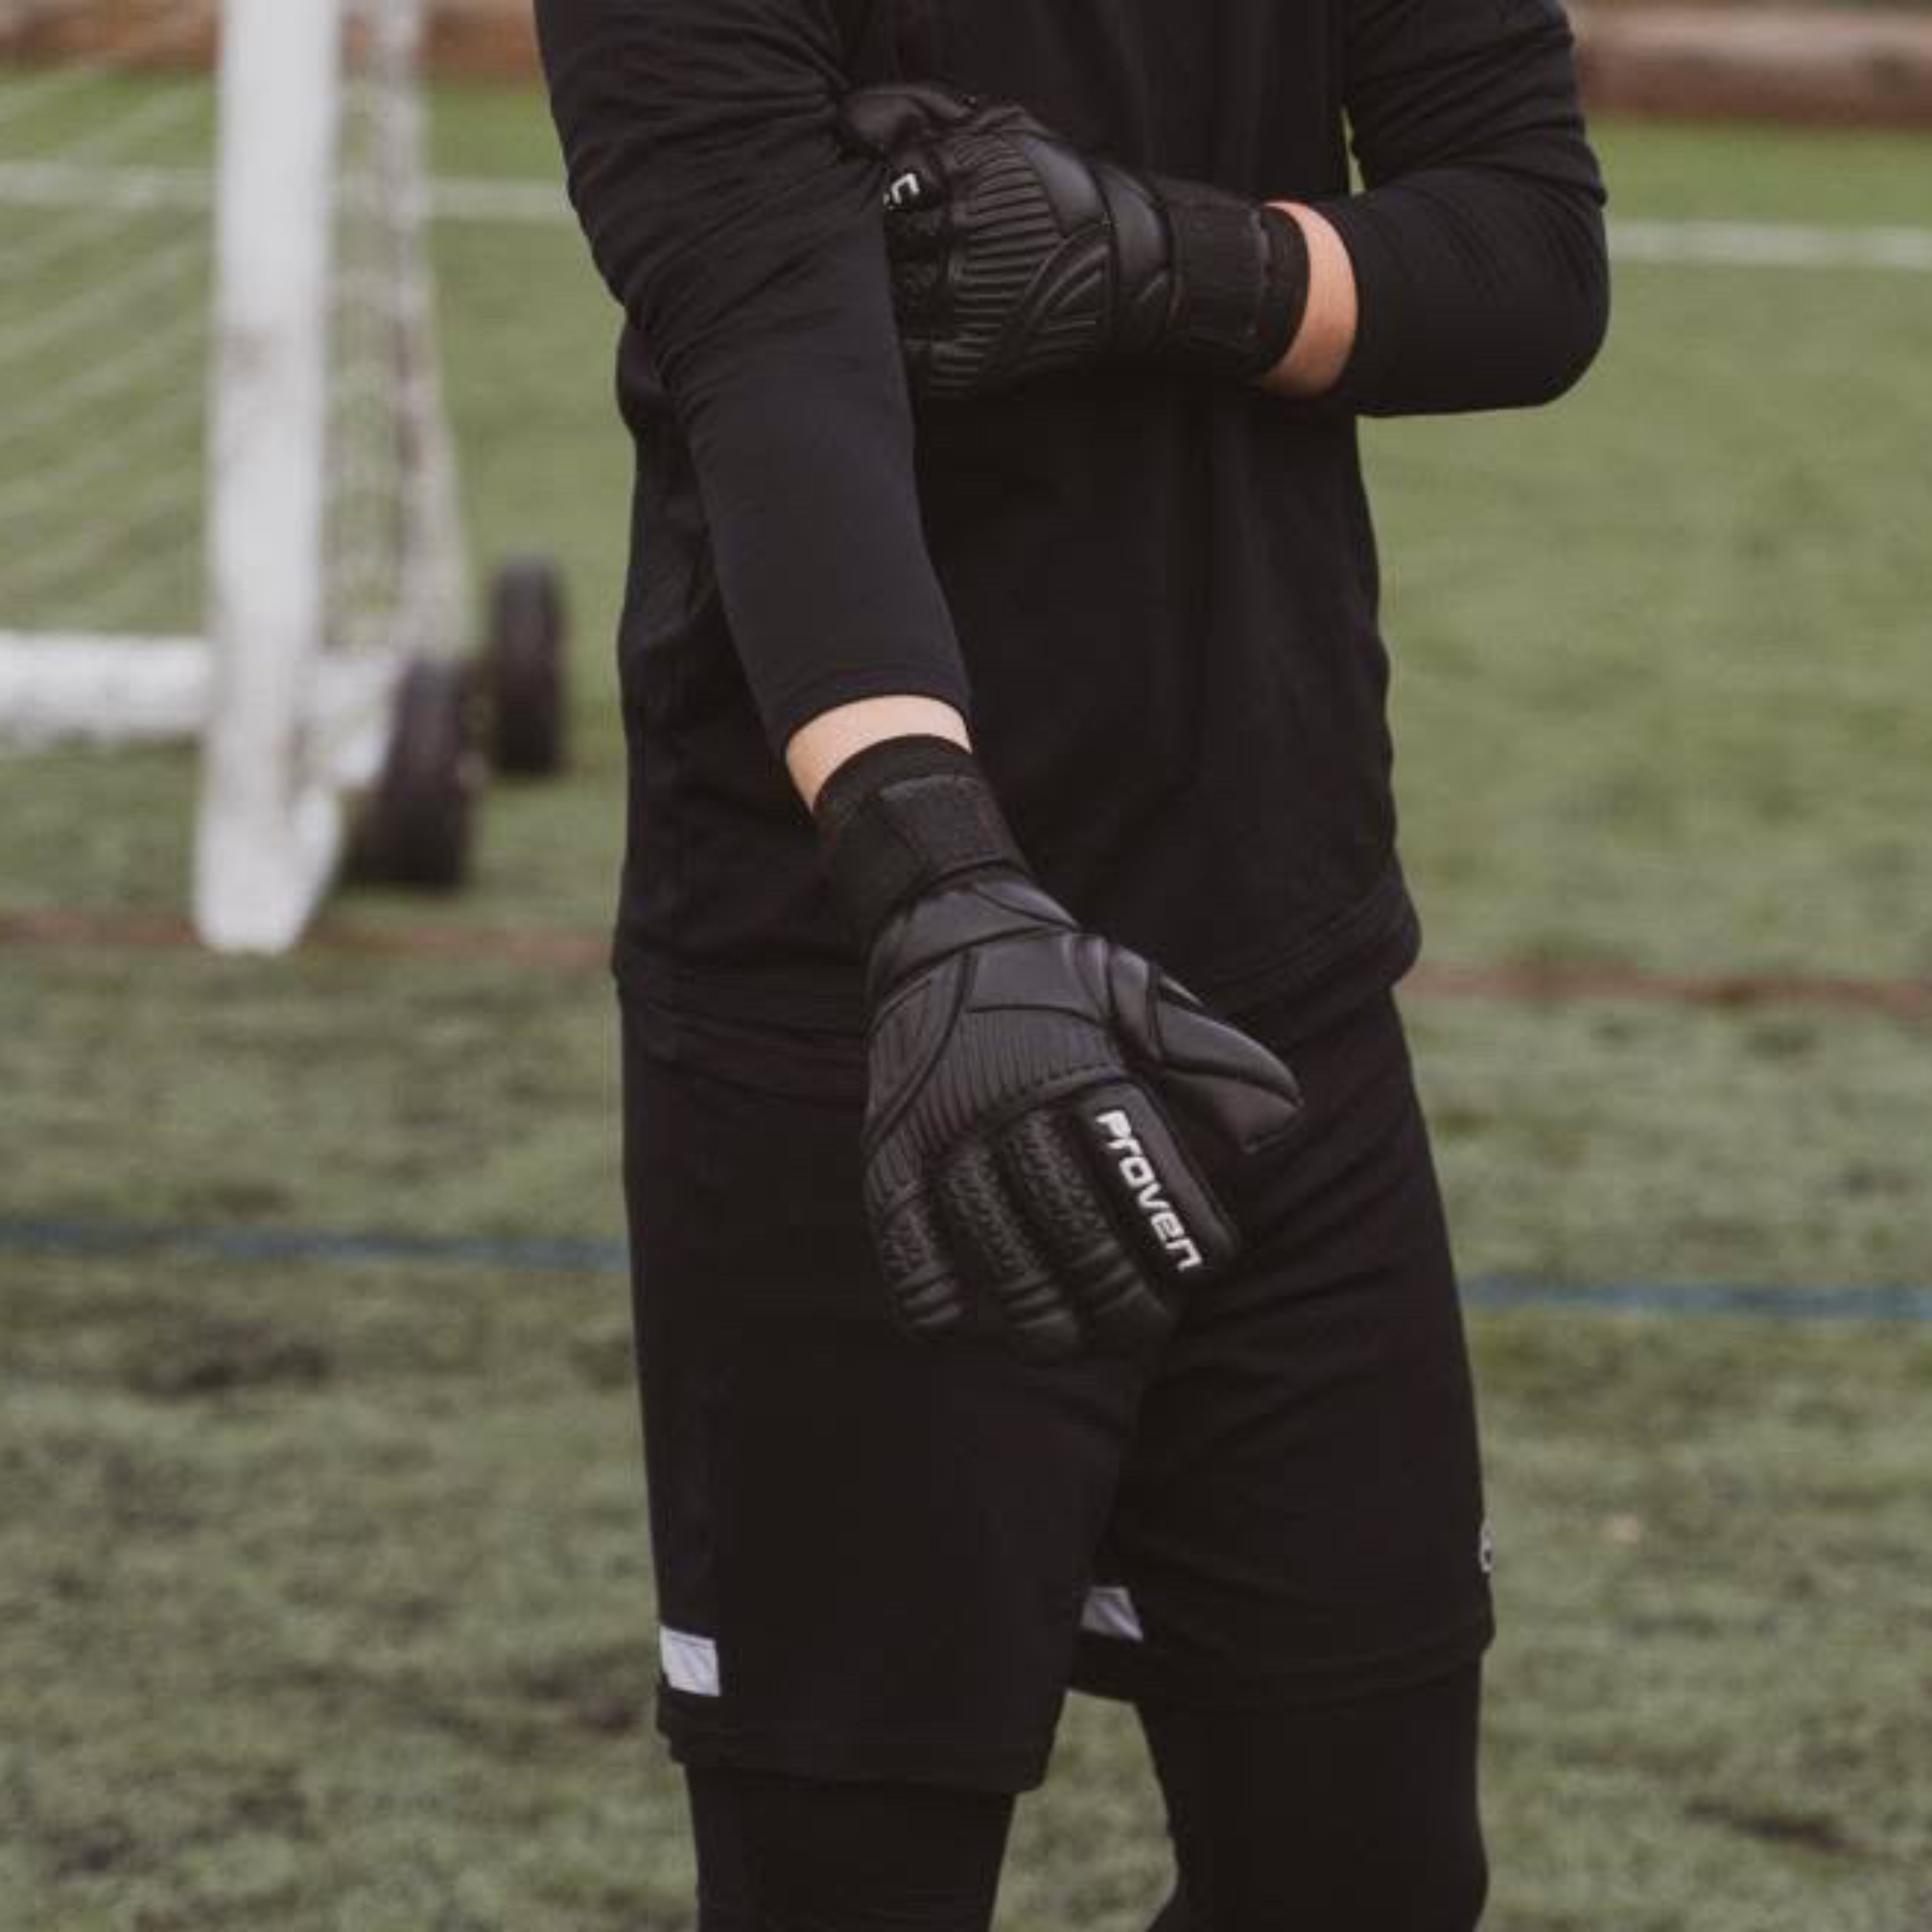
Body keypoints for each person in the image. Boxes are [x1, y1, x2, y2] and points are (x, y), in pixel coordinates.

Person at [535, 0, 1608, 1924]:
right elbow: (776, 349)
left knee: (1360, 1868)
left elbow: (1527, 261)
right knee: (851, 1877)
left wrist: (1163, 261)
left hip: (1271, 977)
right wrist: (933, 875)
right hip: (868, 1000)